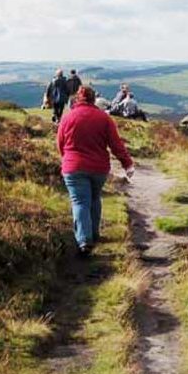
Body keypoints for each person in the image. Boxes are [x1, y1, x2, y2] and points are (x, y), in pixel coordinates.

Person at [57, 86, 134, 256]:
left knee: (79, 202)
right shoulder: (104, 118)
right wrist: (127, 164)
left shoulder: (67, 117)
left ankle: (84, 241)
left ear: (77, 99)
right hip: (98, 168)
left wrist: (66, 159)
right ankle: (94, 234)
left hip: (73, 167)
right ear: (93, 99)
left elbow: (60, 143)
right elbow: (116, 145)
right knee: (94, 198)